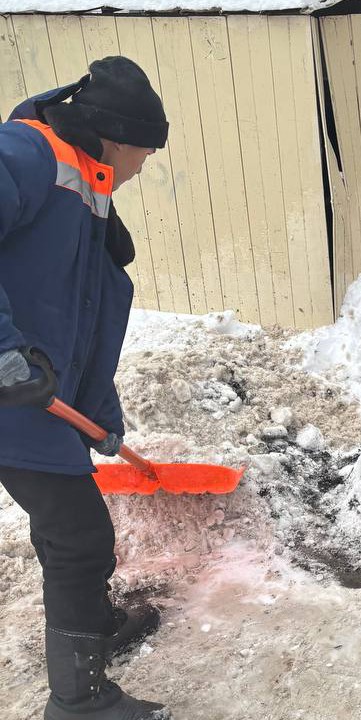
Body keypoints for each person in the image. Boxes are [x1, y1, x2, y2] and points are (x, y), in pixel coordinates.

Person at [0, 57, 170, 718]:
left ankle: (93, 628)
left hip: (39, 388)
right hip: (12, 391)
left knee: (68, 529)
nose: (143, 168)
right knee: (78, 538)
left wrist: (99, 410)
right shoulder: (27, 153)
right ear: (118, 139)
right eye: (146, 155)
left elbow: (85, 312)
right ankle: (79, 701)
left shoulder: (88, 188)